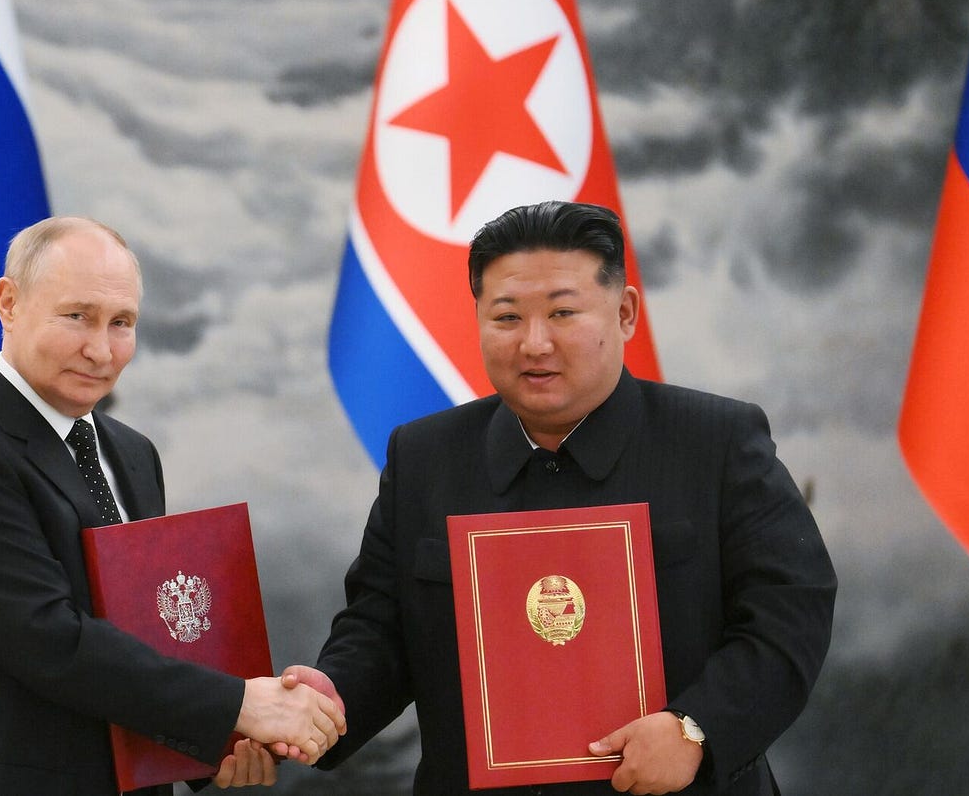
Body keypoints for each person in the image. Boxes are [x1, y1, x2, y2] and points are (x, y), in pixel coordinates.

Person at [280, 201, 836, 795]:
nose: (535, 343)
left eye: (563, 313)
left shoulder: (716, 443)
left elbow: (789, 616)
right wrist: (328, 699)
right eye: (507, 317)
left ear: (624, 313)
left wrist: (696, 731)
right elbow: (380, 627)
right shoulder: (425, 457)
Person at [0, 216, 342, 795]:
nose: (100, 349)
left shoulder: (132, 453)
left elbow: (148, 631)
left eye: (121, 323)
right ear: (9, 303)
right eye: (77, 316)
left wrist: (219, 747)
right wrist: (237, 705)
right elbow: (50, 642)